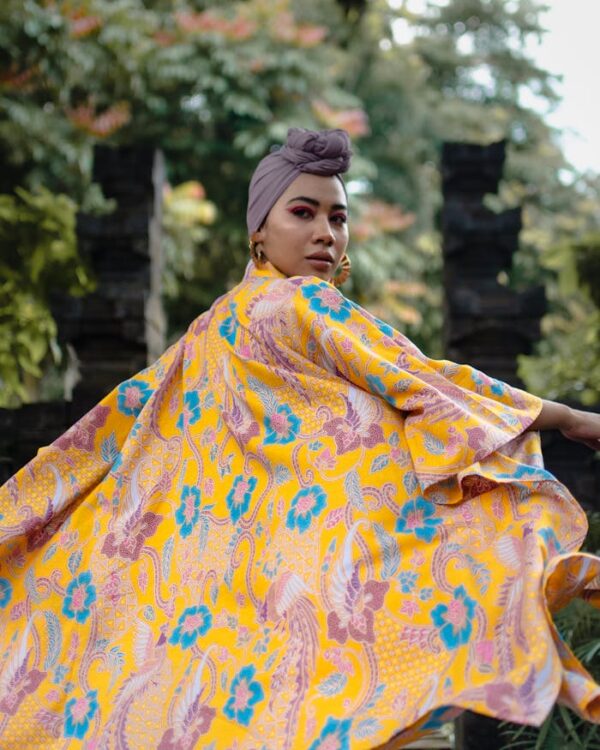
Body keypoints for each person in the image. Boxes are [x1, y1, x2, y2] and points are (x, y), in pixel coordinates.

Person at [0, 127, 599, 750]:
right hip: (314, 581)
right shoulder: (307, 303)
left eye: (338, 217)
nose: (325, 233)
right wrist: (572, 419)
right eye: (303, 212)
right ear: (258, 229)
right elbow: (428, 383)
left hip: (229, 603)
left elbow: (116, 424)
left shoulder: (207, 331)